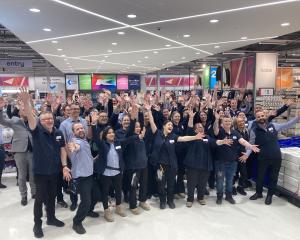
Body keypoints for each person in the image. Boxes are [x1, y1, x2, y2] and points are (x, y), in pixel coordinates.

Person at [18, 88, 69, 239]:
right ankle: (37, 223)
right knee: (39, 199)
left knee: (52, 196)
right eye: (45, 119)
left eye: (51, 118)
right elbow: (31, 118)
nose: (49, 120)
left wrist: (64, 165)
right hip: (40, 172)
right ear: (41, 121)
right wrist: (27, 102)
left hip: (54, 171)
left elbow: (62, 150)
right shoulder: (36, 130)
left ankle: (51, 218)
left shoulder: (58, 132)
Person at [146, 104, 205, 209]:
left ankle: (170, 200)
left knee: (171, 184)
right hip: (160, 166)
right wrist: (148, 110)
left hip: (172, 166)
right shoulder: (157, 133)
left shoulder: (173, 136)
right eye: (169, 125)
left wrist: (195, 137)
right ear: (164, 126)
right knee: (161, 184)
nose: (171, 126)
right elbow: (151, 122)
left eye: (171, 126)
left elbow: (183, 138)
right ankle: (163, 201)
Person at [91, 115, 138, 222]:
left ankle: (118, 206)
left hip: (117, 172)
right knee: (105, 192)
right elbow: (95, 138)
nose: (111, 134)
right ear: (105, 135)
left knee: (118, 190)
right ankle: (106, 210)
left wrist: (137, 136)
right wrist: (93, 125)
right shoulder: (102, 144)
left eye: (112, 132)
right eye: (109, 133)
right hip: (106, 173)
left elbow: (128, 138)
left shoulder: (118, 142)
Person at [247, 110, 300, 205]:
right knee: (260, 177)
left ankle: (269, 195)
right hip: (263, 158)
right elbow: (251, 144)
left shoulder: (274, 126)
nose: (261, 118)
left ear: (265, 116)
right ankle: (258, 193)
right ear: (256, 119)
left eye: (262, 115)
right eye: (258, 117)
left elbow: (288, 124)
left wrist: (298, 117)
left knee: (273, 177)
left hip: (276, 157)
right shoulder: (253, 130)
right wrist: (246, 155)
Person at [184, 110, 233, 207]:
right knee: (191, 184)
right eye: (198, 127)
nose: (200, 128)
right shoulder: (191, 136)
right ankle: (190, 199)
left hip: (205, 165)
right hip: (192, 165)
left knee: (202, 183)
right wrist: (191, 117)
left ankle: (200, 197)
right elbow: (189, 128)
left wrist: (222, 142)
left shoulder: (207, 137)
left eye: (201, 127)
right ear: (195, 130)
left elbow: (215, 142)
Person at [213, 114, 259, 205]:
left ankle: (228, 196)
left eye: (229, 121)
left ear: (231, 123)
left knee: (230, 180)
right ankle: (219, 196)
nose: (227, 122)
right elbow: (215, 129)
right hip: (220, 163)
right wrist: (216, 119)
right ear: (222, 123)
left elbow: (242, 141)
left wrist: (250, 146)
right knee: (220, 180)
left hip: (232, 162)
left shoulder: (235, 133)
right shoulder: (220, 132)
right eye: (225, 121)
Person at [0, 96, 35, 205]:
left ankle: (34, 193)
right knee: (22, 176)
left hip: (32, 152)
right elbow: (3, 121)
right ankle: (23, 196)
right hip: (20, 152)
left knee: (33, 174)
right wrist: (1, 109)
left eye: (26, 109)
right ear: (19, 112)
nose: (24, 110)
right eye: (22, 109)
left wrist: (30, 105)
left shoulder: (33, 120)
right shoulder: (15, 120)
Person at [59, 102, 89, 211]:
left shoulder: (84, 121)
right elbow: (64, 142)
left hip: (84, 155)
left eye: (77, 108)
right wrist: (71, 157)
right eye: (73, 109)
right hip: (71, 156)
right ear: (69, 110)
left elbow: (85, 138)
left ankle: (84, 200)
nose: (75, 110)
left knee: (84, 178)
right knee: (73, 180)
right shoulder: (64, 124)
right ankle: (74, 201)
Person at [65, 122, 94, 234]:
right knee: (86, 201)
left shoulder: (84, 140)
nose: (81, 130)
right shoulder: (76, 142)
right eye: (78, 129)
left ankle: (88, 211)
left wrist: (93, 159)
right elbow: (75, 147)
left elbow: (85, 156)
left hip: (90, 174)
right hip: (82, 177)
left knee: (95, 195)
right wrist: (73, 148)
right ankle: (77, 222)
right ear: (73, 132)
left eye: (82, 128)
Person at [124, 104, 150, 214]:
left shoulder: (142, 137)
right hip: (133, 167)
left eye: (139, 127)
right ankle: (133, 205)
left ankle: (142, 201)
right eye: (136, 127)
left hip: (144, 166)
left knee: (144, 184)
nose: (138, 128)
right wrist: (134, 111)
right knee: (133, 186)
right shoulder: (129, 136)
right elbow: (132, 124)